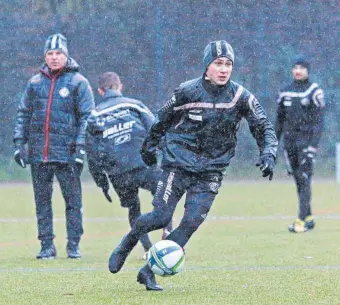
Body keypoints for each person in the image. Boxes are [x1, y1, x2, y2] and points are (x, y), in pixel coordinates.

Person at [107, 40, 278, 291]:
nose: (223, 69)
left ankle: (148, 271)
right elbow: (161, 120)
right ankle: (127, 242)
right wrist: (149, 147)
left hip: (211, 170)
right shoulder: (186, 92)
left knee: (190, 224)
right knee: (161, 217)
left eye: (228, 64)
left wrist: (269, 153)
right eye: (218, 63)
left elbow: (263, 126)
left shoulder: (241, 97)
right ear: (206, 66)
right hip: (178, 164)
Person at [13, 33, 95, 259]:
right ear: (45, 56)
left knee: (73, 203)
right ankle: (46, 246)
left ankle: (73, 246)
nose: (54, 58)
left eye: (58, 53)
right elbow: (23, 114)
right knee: (42, 204)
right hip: (39, 155)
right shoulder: (35, 82)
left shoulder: (79, 83)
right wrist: (19, 144)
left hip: (67, 155)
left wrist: (80, 148)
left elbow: (87, 118)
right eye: (50, 53)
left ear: (66, 55)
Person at [86, 72, 173, 257]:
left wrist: (102, 183)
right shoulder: (133, 105)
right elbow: (156, 128)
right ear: (120, 87)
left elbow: (92, 154)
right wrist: (164, 155)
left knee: (134, 208)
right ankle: (169, 232)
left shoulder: (94, 116)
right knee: (163, 196)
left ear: (100, 91)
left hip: (118, 173)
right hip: (144, 164)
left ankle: (148, 248)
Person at [275, 55, 325, 233]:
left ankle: (300, 221)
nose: (298, 71)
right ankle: (309, 217)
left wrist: (312, 147)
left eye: (301, 68)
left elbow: (319, 122)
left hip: (306, 142)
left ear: (308, 71)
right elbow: (279, 120)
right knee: (298, 180)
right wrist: (274, 142)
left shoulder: (314, 91)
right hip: (289, 144)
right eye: (295, 67)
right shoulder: (285, 91)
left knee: (304, 179)